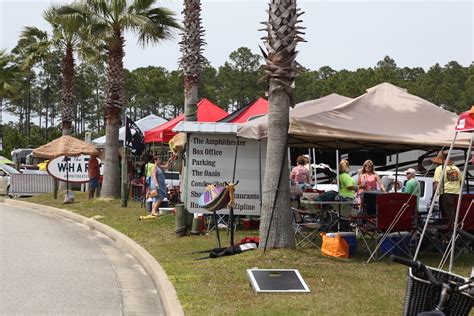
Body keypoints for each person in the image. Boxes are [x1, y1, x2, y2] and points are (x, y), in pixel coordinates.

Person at [432, 151, 462, 225]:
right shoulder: (456, 168)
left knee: (446, 216)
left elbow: (436, 184)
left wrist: (433, 196)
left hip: (446, 194)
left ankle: (448, 233)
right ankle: (456, 230)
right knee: (455, 215)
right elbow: (461, 182)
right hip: (457, 194)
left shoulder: (440, 168)